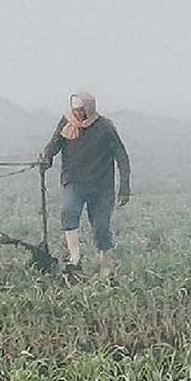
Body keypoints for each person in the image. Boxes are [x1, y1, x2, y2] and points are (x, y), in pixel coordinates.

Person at [37, 91, 131, 274]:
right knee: (69, 212)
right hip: (74, 181)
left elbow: (121, 156)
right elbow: (54, 143)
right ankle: (75, 259)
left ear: (90, 108)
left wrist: (124, 188)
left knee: (101, 227)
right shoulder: (67, 123)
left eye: (82, 110)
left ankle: (107, 267)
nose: (78, 113)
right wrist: (46, 159)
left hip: (101, 186)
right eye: (75, 110)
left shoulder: (105, 127)